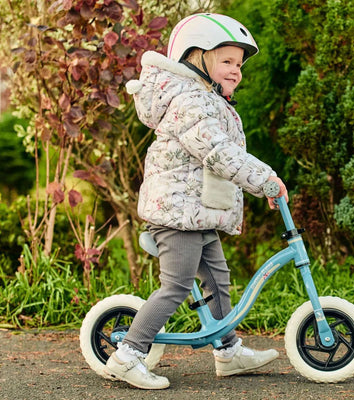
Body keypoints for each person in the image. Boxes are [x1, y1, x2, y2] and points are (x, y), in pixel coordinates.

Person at [104, 13, 289, 390]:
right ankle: (128, 355)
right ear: (197, 57)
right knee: (176, 285)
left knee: (218, 282)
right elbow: (218, 152)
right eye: (227, 61)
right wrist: (265, 180)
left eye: (239, 64)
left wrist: (262, 181)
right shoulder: (190, 100)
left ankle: (228, 351)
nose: (236, 71)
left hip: (197, 212)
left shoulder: (206, 98)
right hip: (176, 214)